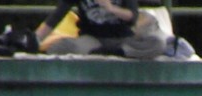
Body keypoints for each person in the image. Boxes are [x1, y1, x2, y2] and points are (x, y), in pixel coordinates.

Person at [35, 1, 167, 59]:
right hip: (92, 40)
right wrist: (36, 38)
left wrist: (111, 8)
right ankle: (100, 52)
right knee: (58, 47)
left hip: (121, 40)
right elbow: (57, 16)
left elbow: (132, 17)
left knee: (157, 43)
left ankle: (118, 52)